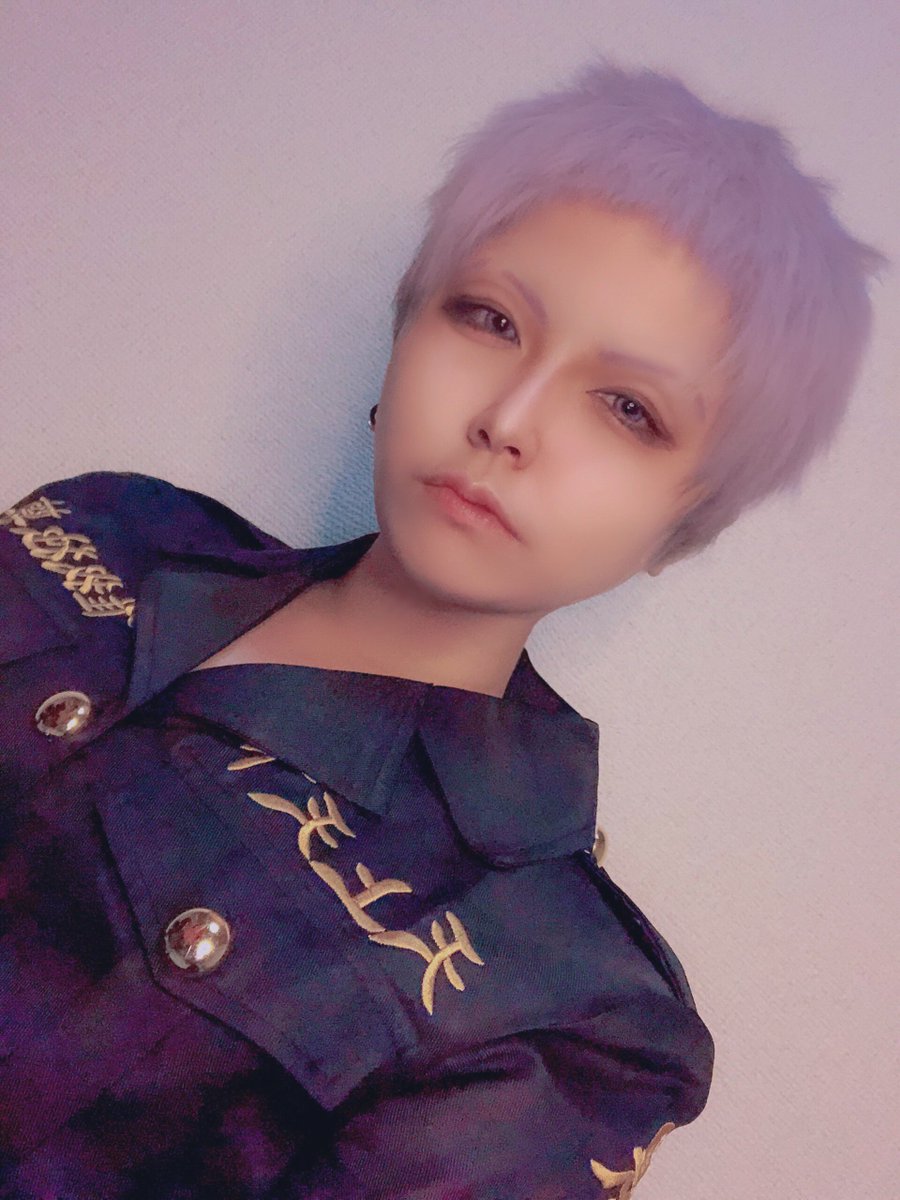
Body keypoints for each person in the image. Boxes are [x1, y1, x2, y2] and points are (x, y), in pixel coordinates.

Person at [0, 59, 887, 1200]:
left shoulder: (568, 1015)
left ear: (684, 520)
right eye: (490, 318)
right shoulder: (103, 528)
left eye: (628, 409)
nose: (508, 420)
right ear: (407, 324)